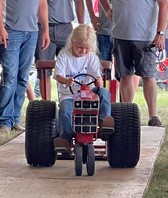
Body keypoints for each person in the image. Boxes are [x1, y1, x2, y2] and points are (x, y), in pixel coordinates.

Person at [100, 0, 168, 126]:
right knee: (125, 76)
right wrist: (106, 8)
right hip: (120, 35)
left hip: (146, 36)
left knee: (148, 76)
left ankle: (153, 116)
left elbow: (164, 4)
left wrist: (160, 33)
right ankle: (127, 114)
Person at [53, 24, 112, 153]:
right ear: (72, 42)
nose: (83, 51)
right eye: (80, 47)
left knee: (104, 92)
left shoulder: (92, 57)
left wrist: (98, 82)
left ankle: (104, 123)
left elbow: (97, 79)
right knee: (65, 111)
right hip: (70, 94)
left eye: (87, 48)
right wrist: (66, 80)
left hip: (89, 92)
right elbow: (58, 75)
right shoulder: (64, 55)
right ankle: (66, 139)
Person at [0, 0, 50, 133]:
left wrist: (45, 30)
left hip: (32, 32)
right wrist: (1, 28)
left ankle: (15, 118)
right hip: (11, 30)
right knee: (9, 77)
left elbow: (42, 4)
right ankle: (5, 120)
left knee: (22, 77)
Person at [35, 0, 85, 100]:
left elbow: (79, 2)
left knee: (71, 68)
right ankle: (47, 107)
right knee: (44, 70)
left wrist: (81, 26)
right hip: (44, 27)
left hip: (66, 27)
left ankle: (69, 104)